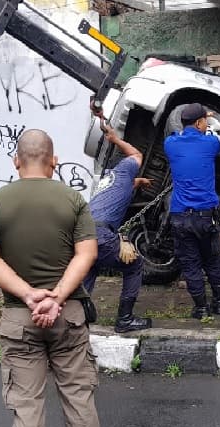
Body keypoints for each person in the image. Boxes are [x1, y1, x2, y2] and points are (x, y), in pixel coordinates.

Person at [0, 129, 100, 427]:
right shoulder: (73, 199)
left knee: (27, 408)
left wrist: (30, 295)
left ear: (16, 161)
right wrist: (57, 297)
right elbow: (88, 253)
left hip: (19, 319)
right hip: (68, 316)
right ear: (54, 161)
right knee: (79, 401)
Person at [82, 120, 152, 332]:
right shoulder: (124, 169)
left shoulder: (107, 180)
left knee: (90, 268)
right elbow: (136, 156)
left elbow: (126, 185)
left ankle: (78, 317)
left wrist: (138, 182)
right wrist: (115, 139)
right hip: (102, 233)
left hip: (83, 233)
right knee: (134, 265)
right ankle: (125, 319)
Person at [163, 103, 220, 319]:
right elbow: (212, 136)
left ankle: (201, 308)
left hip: (181, 216)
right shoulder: (210, 143)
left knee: (191, 264)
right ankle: (219, 305)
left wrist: (197, 120)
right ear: (200, 123)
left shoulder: (170, 144)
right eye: (204, 121)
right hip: (206, 216)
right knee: (212, 261)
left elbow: (177, 133)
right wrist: (206, 121)